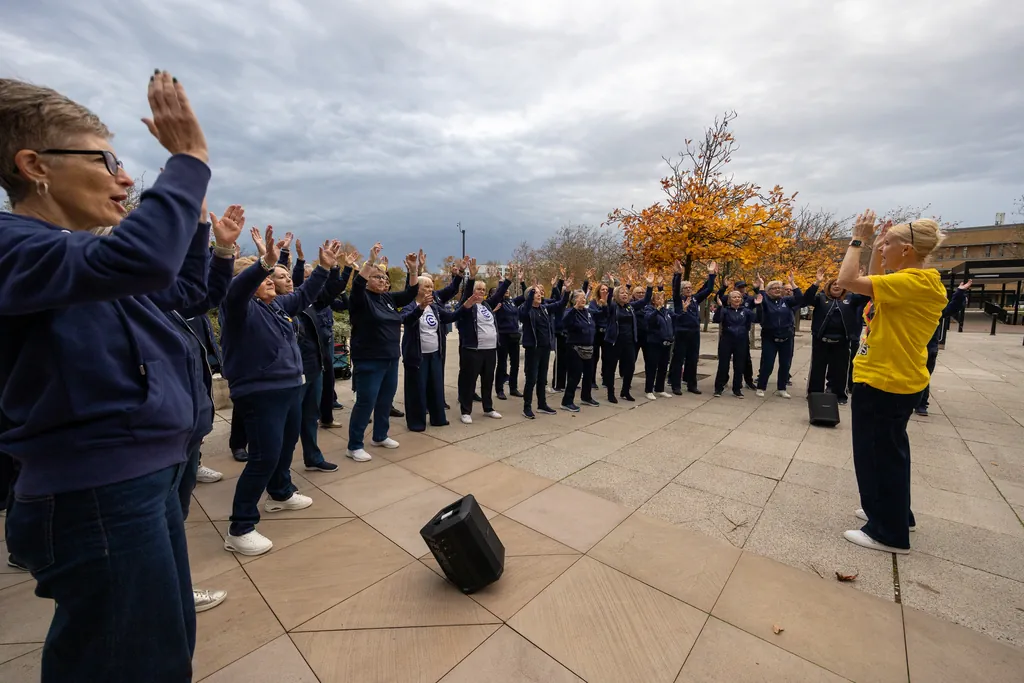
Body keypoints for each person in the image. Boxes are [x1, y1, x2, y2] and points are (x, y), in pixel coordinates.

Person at [0, 72, 210, 682]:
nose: (124, 177)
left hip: (142, 480)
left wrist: (194, 227)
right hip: (99, 493)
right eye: (107, 159)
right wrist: (188, 159)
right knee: (129, 665)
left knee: (162, 653)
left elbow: (182, 291)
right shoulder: (17, 244)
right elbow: (139, 259)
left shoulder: (75, 256)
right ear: (35, 164)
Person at [836, 211, 947, 554]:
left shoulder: (911, 283)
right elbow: (872, 280)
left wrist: (857, 239)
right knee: (889, 453)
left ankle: (888, 532)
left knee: (877, 454)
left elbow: (848, 281)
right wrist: (876, 247)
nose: (883, 248)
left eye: (889, 244)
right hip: (895, 377)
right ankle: (891, 512)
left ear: (908, 249)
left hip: (886, 380)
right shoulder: (915, 282)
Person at [220, 227, 334, 556]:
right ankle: (240, 527)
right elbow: (237, 290)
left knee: (285, 448)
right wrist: (264, 263)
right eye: (264, 277)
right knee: (263, 457)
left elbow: (303, 295)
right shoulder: (238, 307)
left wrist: (324, 268)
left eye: (272, 276)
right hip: (260, 393)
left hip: (289, 388)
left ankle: (281, 493)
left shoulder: (275, 307)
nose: (271, 280)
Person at [346, 245, 419, 461]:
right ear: (368, 278)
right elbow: (357, 285)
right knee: (366, 401)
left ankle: (380, 435)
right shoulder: (361, 298)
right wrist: (370, 262)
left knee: (386, 399)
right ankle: (354, 445)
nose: (383, 281)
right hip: (369, 359)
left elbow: (410, 294)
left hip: (390, 358)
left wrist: (413, 271)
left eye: (385, 279)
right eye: (378, 277)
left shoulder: (387, 299)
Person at [289, 242, 354, 473]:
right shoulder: (287, 304)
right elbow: (297, 282)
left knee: (310, 417)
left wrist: (339, 268)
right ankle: (280, 477)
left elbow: (333, 289)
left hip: (314, 367)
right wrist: (292, 257)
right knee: (288, 426)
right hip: (293, 373)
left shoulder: (315, 301)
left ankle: (313, 457)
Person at [401, 274, 472, 431]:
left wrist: (465, 306)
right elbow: (405, 319)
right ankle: (416, 422)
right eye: (426, 286)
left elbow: (450, 317)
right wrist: (420, 308)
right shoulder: (410, 305)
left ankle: (438, 418)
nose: (430, 289)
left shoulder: (434, 307)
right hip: (416, 356)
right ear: (416, 289)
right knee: (417, 389)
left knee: (436, 387)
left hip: (435, 355)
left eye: (432, 286)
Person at [456, 263, 512, 423]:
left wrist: (507, 280)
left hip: (490, 350)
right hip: (473, 350)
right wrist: (472, 278)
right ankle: (466, 411)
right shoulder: (467, 307)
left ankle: (488, 408)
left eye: (483, 290)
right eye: (478, 289)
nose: (481, 292)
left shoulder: (487, 305)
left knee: (488, 380)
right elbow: (467, 294)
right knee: (469, 381)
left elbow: (499, 294)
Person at [806, 269, 866, 405]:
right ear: (829, 286)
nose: (837, 286)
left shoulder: (851, 299)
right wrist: (816, 282)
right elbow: (806, 299)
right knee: (817, 369)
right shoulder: (820, 298)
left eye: (840, 285)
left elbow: (865, 296)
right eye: (834, 284)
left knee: (840, 370)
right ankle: (814, 394)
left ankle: (839, 395)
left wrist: (858, 281)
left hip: (842, 342)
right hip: (821, 341)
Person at [916, 279, 971, 416]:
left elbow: (952, 308)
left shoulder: (934, 309)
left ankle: (921, 404)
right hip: (912, 347)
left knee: (924, 376)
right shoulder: (913, 307)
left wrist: (960, 292)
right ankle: (913, 402)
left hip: (928, 347)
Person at [752, 274, 810, 399]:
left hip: (786, 337)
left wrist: (793, 283)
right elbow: (761, 296)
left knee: (785, 364)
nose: (778, 289)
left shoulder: (787, 301)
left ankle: (782, 388)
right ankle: (761, 387)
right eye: (774, 288)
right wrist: (761, 284)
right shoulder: (766, 300)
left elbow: (800, 299)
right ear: (768, 291)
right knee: (768, 363)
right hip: (770, 337)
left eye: (779, 288)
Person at [520, 279, 571, 418]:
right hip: (533, 349)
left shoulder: (544, 308)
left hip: (545, 348)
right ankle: (527, 407)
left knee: (542, 378)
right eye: (534, 293)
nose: (538, 294)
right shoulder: (526, 310)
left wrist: (567, 291)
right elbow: (524, 313)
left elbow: (560, 304)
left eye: (538, 292)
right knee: (531, 379)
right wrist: (531, 292)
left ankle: (542, 404)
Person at [603, 275, 653, 402]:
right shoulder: (613, 307)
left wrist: (650, 286)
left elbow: (645, 300)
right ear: (616, 295)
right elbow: (608, 299)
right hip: (614, 342)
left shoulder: (630, 307)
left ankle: (625, 391)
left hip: (629, 342)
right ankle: (610, 393)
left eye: (626, 292)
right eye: (621, 293)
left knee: (630, 367)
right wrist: (611, 285)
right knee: (611, 368)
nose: (625, 294)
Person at [669, 261, 717, 395]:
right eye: (686, 288)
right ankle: (675, 385)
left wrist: (711, 275)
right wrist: (678, 274)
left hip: (694, 333)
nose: (689, 289)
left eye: (690, 287)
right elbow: (675, 287)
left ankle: (692, 384)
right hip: (681, 333)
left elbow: (709, 290)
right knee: (678, 359)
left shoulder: (695, 299)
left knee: (692, 359)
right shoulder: (679, 299)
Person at [712, 290, 756, 398]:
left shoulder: (746, 311)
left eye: (739, 297)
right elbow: (716, 319)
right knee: (723, 365)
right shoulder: (725, 310)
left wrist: (759, 306)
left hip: (741, 341)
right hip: (727, 340)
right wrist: (720, 307)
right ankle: (719, 388)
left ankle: (737, 389)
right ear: (729, 300)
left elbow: (758, 319)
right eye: (734, 297)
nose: (737, 299)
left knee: (739, 365)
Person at [561, 288, 598, 411]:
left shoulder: (588, 312)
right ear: (573, 300)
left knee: (589, 374)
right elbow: (565, 323)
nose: (583, 299)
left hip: (588, 347)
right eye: (579, 297)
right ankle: (567, 401)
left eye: (584, 297)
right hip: (575, 348)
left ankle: (586, 397)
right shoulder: (570, 311)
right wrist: (575, 309)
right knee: (575, 375)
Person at [494, 267, 526, 400]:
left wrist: (522, 281)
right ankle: (499, 389)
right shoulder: (499, 302)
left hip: (514, 336)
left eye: (508, 289)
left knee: (515, 363)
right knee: (502, 363)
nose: (506, 291)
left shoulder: (513, 302)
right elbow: (500, 291)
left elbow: (526, 296)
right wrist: (502, 282)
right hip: (503, 336)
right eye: (504, 290)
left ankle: (513, 388)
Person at [643, 285, 673, 400]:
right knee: (652, 367)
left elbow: (675, 318)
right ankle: (649, 390)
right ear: (653, 301)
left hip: (666, 343)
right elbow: (649, 320)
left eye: (662, 298)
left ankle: (660, 388)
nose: (661, 300)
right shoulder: (649, 309)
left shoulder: (666, 311)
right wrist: (657, 310)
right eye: (658, 298)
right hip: (654, 343)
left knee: (663, 366)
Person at [589, 281, 611, 390]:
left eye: (606, 290)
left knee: (607, 357)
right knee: (594, 357)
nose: (605, 291)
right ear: (598, 291)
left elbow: (609, 315)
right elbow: (596, 314)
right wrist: (602, 306)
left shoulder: (610, 302)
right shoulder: (593, 302)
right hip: (596, 333)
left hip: (606, 333)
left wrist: (606, 305)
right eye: (602, 289)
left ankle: (606, 379)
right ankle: (591, 380)